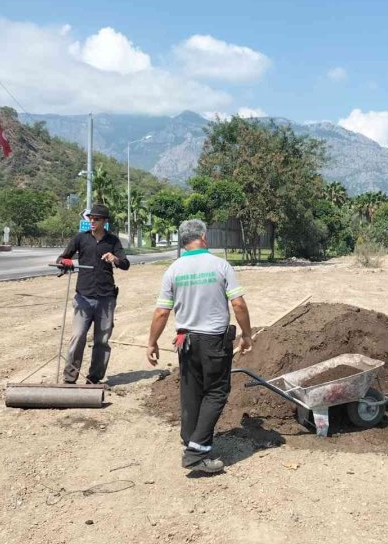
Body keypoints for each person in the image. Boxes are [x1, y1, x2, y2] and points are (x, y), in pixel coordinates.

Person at [146, 219, 253, 474]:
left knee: (192, 390)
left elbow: (162, 312)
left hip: (186, 341)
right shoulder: (220, 265)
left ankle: (190, 437)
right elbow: (238, 304)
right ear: (203, 237)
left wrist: (151, 342)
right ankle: (197, 451)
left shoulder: (173, 269)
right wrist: (247, 334)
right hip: (213, 340)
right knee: (216, 392)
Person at [56, 203, 130, 384]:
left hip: (106, 298)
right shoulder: (80, 238)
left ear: (104, 221)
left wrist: (115, 259)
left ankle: (94, 379)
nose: (92, 221)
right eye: (91, 218)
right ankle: (70, 377)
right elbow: (61, 258)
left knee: (102, 340)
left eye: (96, 219)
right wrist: (65, 263)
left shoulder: (113, 241)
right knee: (78, 336)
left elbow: (126, 264)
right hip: (84, 297)